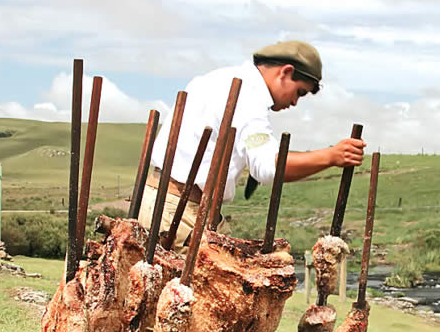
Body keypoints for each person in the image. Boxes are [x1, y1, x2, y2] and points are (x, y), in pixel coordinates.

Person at [138, 40, 366, 249]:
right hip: (179, 212)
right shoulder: (247, 96)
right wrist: (331, 156)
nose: (295, 102)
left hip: (159, 200)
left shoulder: (215, 78)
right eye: (299, 92)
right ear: (285, 72)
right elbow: (267, 167)